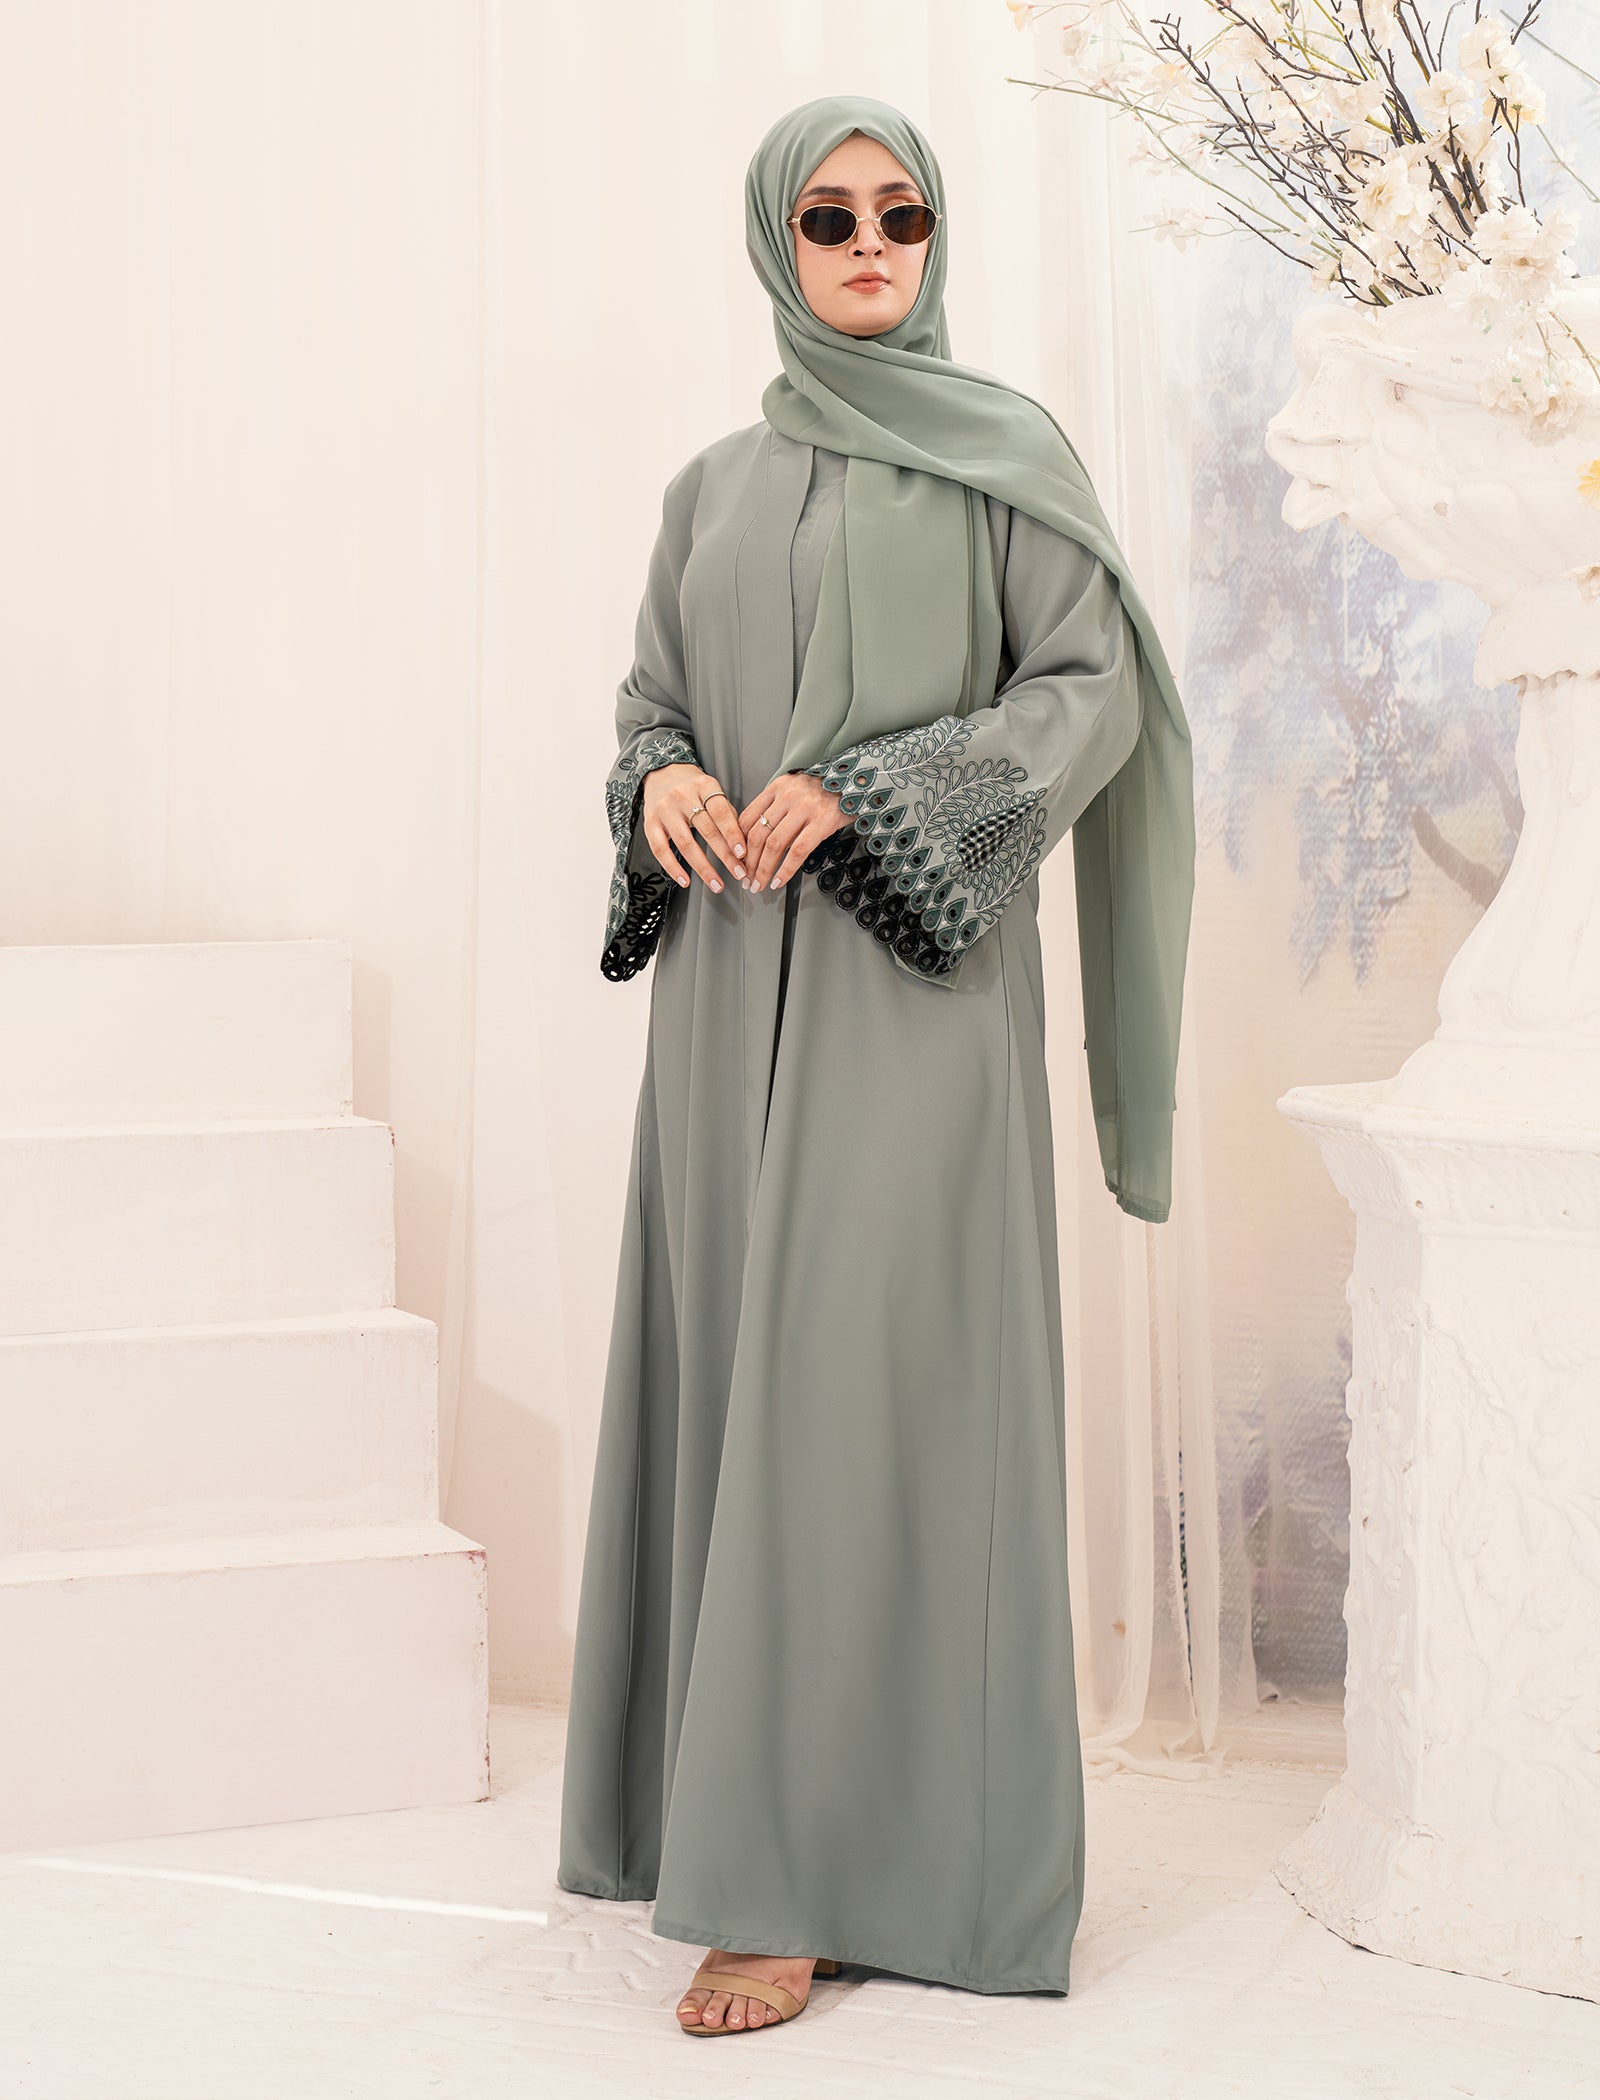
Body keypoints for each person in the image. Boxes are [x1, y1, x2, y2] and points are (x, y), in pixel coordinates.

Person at [556, 92, 1196, 2040]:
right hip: (717, 1002)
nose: (863, 245)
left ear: (932, 238)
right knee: (743, 1386)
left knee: (869, 1403)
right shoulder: (709, 488)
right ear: (776, 239)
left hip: (908, 1001)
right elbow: (650, 696)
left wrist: (872, 792)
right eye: (825, 217)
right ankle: (743, 1838)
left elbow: (1085, 696)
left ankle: (830, 1878)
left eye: (896, 215)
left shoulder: (1004, 462)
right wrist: (658, 780)